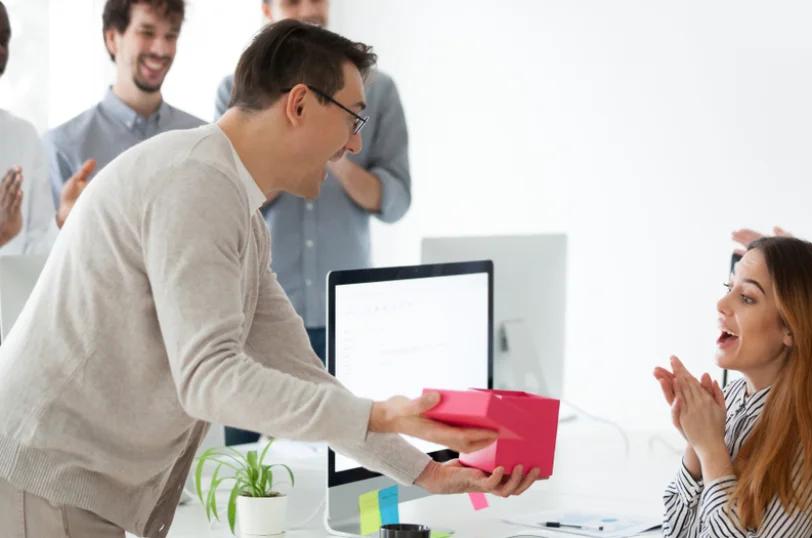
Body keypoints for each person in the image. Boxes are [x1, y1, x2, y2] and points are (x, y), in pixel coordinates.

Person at [0, 20, 539, 538]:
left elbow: (305, 377)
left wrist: (427, 474)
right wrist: (379, 415)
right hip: (44, 482)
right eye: (354, 119)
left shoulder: (234, 210)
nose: (354, 145)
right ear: (300, 104)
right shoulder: (197, 183)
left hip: (60, 486)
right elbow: (209, 380)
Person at [214, 0, 411, 364]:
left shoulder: (379, 91)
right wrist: (313, 143)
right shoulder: (238, 95)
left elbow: (397, 200)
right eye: (292, 0)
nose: (309, 9)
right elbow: (233, 195)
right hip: (258, 316)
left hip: (350, 314)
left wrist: (330, 142)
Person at [655, 236, 812, 537]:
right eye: (728, 289)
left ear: (791, 328)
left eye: (746, 298)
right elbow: (674, 533)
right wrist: (696, 439)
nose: (721, 304)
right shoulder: (729, 401)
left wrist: (710, 449)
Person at [43, 0, 204, 226]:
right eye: (146, 32)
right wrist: (63, 223)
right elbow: (43, 254)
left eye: (171, 36)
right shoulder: (63, 147)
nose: (161, 50)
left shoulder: (203, 139)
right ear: (112, 39)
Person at [0, 1, 58, 254]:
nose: (0, 50)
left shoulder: (23, 137)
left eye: (3, 39)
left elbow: (38, 251)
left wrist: (64, 220)